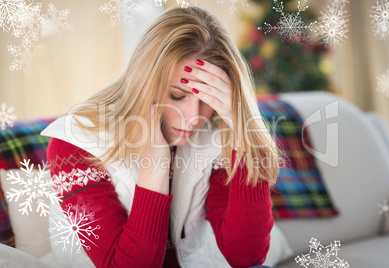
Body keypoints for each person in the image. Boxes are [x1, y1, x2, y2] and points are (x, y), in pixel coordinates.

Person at [40, 5, 279, 268]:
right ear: (146, 84)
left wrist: (244, 136)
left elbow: (246, 257)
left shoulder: (218, 131)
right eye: (176, 96)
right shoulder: (74, 143)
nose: (193, 118)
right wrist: (155, 164)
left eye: (208, 100)